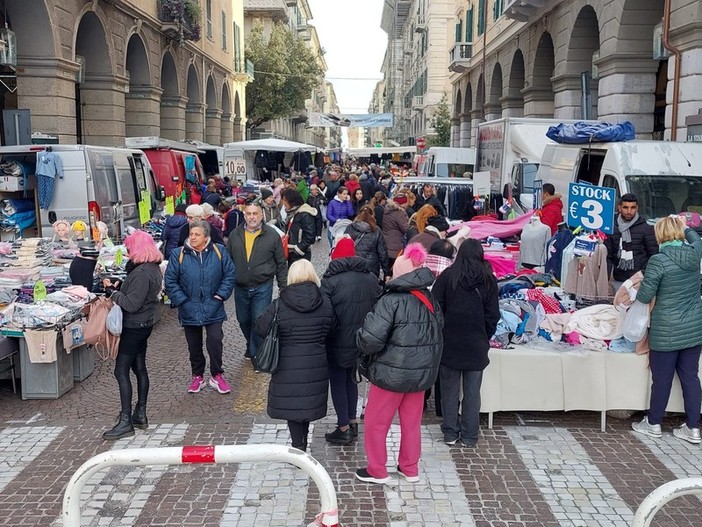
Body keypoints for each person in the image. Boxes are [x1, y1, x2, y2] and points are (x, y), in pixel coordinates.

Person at [355, 242, 443, 484]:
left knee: (376, 422)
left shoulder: (391, 300)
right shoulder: (429, 298)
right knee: (411, 423)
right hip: (419, 375)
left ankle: (376, 469)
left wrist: (358, 337)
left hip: (390, 373)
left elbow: (371, 339)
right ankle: (410, 468)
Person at [631, 215, 702, 444]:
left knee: (661, 380)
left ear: (660, 235)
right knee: (691, 377)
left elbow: (644, 296)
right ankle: (692, 428)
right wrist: (684, 226)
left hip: (665, 330)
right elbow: (695, 238)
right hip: (693, 329)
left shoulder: (658, 260)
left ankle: (653, 423)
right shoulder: (694, 253)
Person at [254, 259, 334, 451]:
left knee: (293, 406)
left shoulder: (280, 304)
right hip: (316, 362)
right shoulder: (325, 302)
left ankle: (299, 445)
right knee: (306, 403)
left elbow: (260, 327)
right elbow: (332, 328)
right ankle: (302, 442)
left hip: (287, 363)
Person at [432, 239, 500, 447]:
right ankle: (470, 434)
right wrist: (484, 335)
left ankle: (450, 432)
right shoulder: (488, 279)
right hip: (476, 342)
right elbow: (493, 315)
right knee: (472, 392)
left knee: (449, 391)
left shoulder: (447, 277)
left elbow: (435, 308)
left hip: (450, 341)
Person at [102, 230, 164, 440]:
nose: (128, 253)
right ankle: (140, 414)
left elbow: (132, 304)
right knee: (139, 368)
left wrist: (113, 293)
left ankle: (126, 420)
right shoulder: (152, 268)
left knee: (121, 371)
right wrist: (122, 286)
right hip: (144, 324)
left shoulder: (142, 273)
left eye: (129, 249)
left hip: (135, 326)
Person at [321, 238, 382, 445]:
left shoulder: (330, 281)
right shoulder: (371, 278)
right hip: (362, 339)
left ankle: (343, 427)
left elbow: (326, 313)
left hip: (337, 340)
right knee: (352, 379)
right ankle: (353, 422)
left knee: (338, 381)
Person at [165, 220, 236, 394]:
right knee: (194, 345)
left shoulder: (219, 251)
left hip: (214, 306)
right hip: (189, 307)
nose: (193, 237)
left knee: (215, 341)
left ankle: (217, 374)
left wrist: (220, 295)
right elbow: (170, 280)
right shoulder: (178, 254)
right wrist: (182, 300)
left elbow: (229, 274)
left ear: (206, 237)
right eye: (191, 234)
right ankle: (197, 376)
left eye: (197, 234)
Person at [226, 199, 288, 360]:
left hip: (263, 285)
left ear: (262, 215)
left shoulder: (272, 235)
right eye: (248, 214)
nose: (251, 217)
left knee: (259, 319)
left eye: (255, 214)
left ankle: (256, 354)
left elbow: (280, 262)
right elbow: (227, 261)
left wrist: (283, 286)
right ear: (244, 215)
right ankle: (251, 343)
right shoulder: (235, 234)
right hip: (240, 286)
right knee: (243, 319)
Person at [603, 193, 658, 288]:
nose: (629, 211)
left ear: (637, 208)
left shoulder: (646, 228)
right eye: (625, 207)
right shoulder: (611, 227)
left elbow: (654, 256)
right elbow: (608, 257)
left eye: (632, 208)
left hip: (639, 280)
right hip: (617, 278)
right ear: (619, 208)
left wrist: (646, 276)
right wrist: (605, 281)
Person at [345, 206, 389, 278]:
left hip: (353, 263)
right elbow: (382, 253)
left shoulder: (350, 227)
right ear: (372, 216)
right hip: (371, 267)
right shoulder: (376, 230)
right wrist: (386, 272)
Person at [280, 188, 317, 265]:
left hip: (300, 253)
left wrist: (298, 249)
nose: (283, 203)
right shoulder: (292, 212)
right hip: (291, 252)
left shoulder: (304, 214)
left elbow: (310, 236)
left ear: (292, 200)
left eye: (284, 200)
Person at [381, 194, 410, 271]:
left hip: (386, 244)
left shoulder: (387, 210)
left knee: (387, 269)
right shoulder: (400, 213)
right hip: (396, 246)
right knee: (394, 269)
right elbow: (406, 229)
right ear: (403, 203)